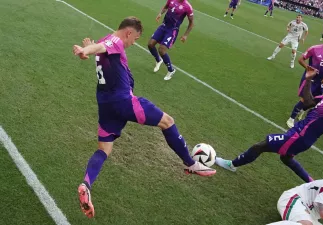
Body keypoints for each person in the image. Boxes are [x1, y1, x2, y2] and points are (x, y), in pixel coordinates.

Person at [72, 17, 216, 218]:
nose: (133, 43)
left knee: (104, 149)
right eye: (136, 38)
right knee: (168, 121)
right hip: (124, 102)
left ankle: (86, 184)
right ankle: (191, 164)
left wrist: (88, 49)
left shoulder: (105, 40)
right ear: (129, 33)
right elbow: (104, 47)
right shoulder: (116, 41)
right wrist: (85, 50)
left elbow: (100, 49)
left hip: (105, 106)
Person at [215, 67, 323, 183]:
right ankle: (313, 185)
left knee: (260, 146)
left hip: (300, 137)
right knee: (286, 158)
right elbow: (308, 102)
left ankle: (231, 165)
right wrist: (308, 79)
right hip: (299, 133)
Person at [286, 33, 323, 128]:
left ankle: (302, 111)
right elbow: (300, 59)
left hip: (321, 81)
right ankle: (291, 119)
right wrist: (309, 69)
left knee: (315, 101)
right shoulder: (314, 49)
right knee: (304, 99)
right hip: (309, 79)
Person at [148, 0, 194, 81]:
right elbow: (166, 7)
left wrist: (185, 35)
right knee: (150, 44)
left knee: (161, 50)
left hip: (172, 30)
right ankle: (158, 60)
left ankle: (171, 70)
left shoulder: (187, 7)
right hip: (163, 26)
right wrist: (160, 13)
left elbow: (191, 23)